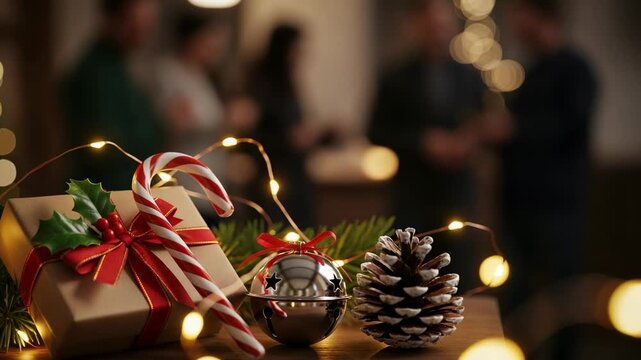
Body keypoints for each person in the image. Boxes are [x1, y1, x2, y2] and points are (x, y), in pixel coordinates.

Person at [502, 0, 597, 358]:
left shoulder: (576, 70)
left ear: (540, 15)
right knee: (520, 295)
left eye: (517, 13)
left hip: (558, 206)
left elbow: (564, 128)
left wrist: (514, 130)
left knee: (563, 297)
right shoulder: (534, 70)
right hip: (521, 204)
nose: (513, 23)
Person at [368, 0, 486, 231]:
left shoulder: (469, 77)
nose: (437, 32)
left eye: (441, 25)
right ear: (416, 26)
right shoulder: (396, 77)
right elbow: (375, 131)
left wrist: (467, 141)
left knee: (459, 262)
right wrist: (422, 142)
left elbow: (481, 122)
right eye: (431, 25)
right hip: (413, 194)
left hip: (457, 193)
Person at [61, 0, 164, 190]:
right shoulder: (96, 72)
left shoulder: (118, 65)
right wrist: (163, 124)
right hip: (108, 194)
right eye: (136, 25)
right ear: (112, 19)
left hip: (128, 187)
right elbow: (108, 145)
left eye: (148, 27)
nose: (142, 35)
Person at [247, 24, 323, 227]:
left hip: (295, 174)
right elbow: (254, 131)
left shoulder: (288, 80)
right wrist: (290, 138)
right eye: (297, 47)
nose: (301, 53)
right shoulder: (261, 81)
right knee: (276, 234)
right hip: (273, 174)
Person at [154, 13, 229, 184]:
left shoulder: (203, 76)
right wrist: (226, 119)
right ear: (192, 38)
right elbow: (179, 122)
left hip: (211, 172)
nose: (216, 45)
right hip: (184, 175)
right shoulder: (169, 72)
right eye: (209, 36)